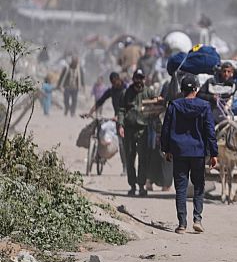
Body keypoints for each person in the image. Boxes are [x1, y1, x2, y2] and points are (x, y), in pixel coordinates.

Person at [161, 75, 218, 234]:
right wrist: (214, 153)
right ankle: (197, 219)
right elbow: (210, 131)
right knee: (199, 186)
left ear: (182, 89)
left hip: (179, 152)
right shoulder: (205, 106)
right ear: (196, 89)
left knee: (181, 188)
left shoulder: (173, 105)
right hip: (198, 152)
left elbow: (165, 129)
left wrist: (166, 149)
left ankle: (182, 224)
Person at [117, 69, 161, 197]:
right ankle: (132, 186)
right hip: (129, 130)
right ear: (133, 79)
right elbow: (121, 110)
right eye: (137, 78)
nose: (139, 81)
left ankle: (141, 185)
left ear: (144, 80)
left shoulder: (149, 92)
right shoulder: (126, 93)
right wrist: (121, 125)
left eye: (141, 79)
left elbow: (157, 105)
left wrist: (159, 101)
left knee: (143, 159)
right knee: (130, 159)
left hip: (143, 130)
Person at [87, 72, 128, 174]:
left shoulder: (127, 89)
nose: (114, 85)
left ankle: (125, 167)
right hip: (117, 120)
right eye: (112, 83)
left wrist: (119, 116)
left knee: (124, 144)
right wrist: (90, 112)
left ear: (119, 79)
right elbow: (100, 101)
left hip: (127, 119)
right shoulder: (112, 90)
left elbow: (130, 106)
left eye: (115, 82)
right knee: (120, 143)